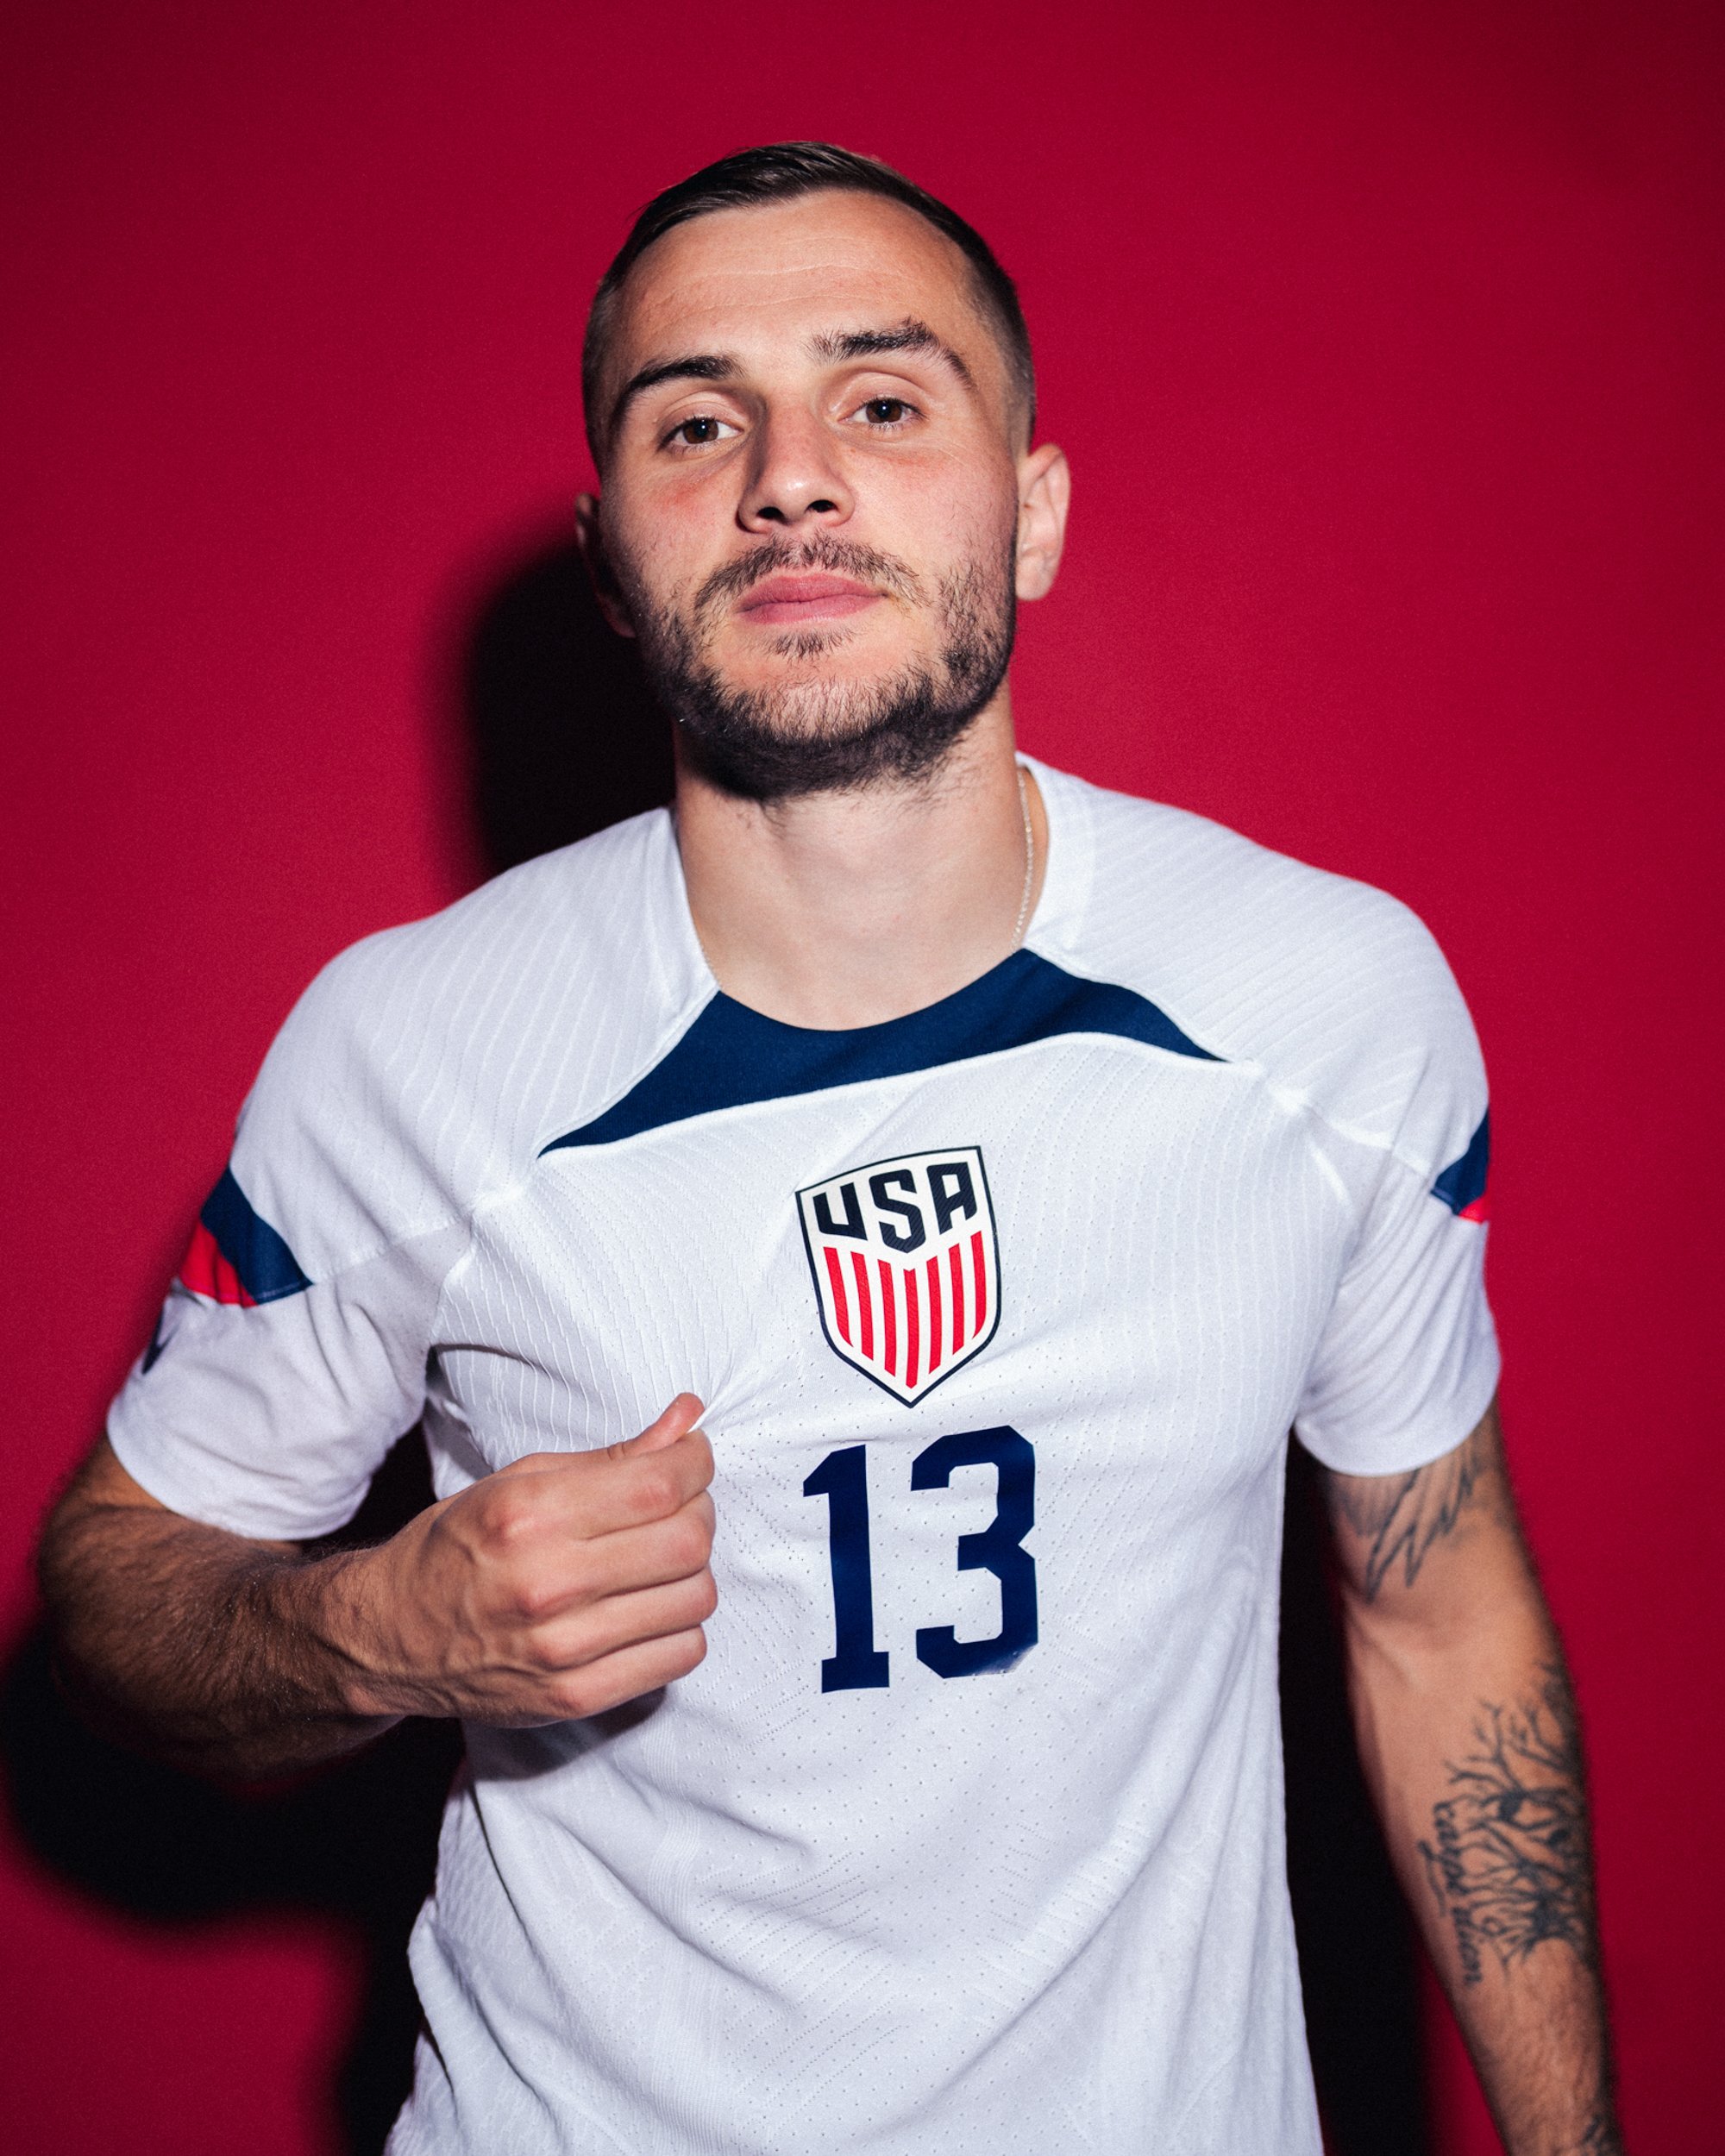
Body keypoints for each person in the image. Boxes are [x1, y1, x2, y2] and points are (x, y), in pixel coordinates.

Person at [40, 142, 1620, 2154]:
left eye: (882, 399)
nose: (791, 473)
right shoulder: (408, 1049)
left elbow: (1432, 1593)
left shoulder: (1322, 1002)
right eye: (697, 422)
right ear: (616, 556)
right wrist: (376, 1625)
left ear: (1028, 510)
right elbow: (114, 1595)